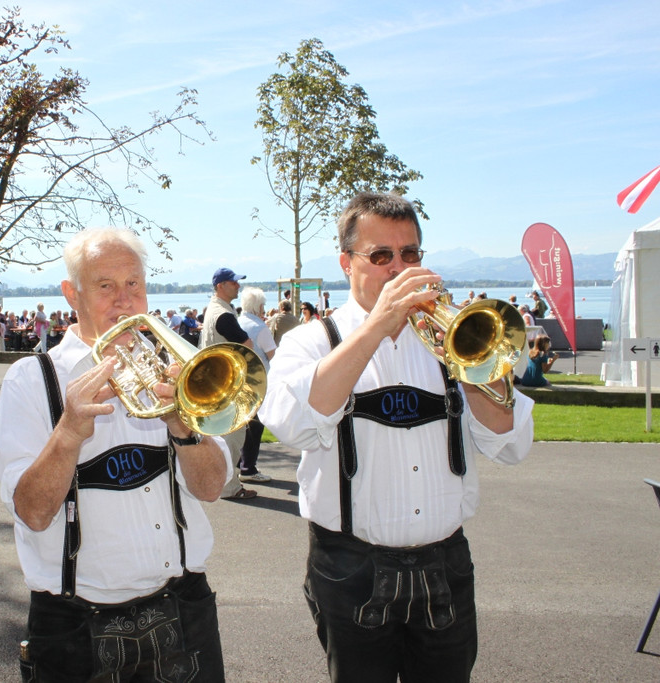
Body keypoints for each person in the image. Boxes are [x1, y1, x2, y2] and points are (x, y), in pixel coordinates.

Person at [259, 192, 534, 683]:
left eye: (409, 254)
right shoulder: (311, 340)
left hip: (445, 563)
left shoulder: (447, 338)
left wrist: (480, 366)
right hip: (350, 568)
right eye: (380, 256)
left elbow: (510, 444)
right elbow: (291, 423)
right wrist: (378, 326)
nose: (397, 267)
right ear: (347, 263)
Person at [0, 226, 230, 682]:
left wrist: (181, 424)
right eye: (105, 286)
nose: (124, 300)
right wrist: (68, 433)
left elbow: (212, 487)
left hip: (183, 608)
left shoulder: (177, 369)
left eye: (134, 284)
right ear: (72, 294)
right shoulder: (31, 379)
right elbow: (33, 513)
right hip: (74, 624)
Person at [201, 266, 258, 501]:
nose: (238, 286)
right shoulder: (222, 314)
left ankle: (225, 482)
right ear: (220, 286)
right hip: (225, 382)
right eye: (233, 283)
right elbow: (247, 345)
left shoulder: (216, 310)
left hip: (215, 381)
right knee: (233, 437)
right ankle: (229, 487)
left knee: (225, 436)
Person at [236, 287, 276, 484]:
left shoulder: (237, 323)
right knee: (255, 427)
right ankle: (248, 467)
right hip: (258, 381)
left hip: (239, 381)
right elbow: (273, 357)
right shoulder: (260, 328)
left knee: (240, 425)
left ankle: (238, 464)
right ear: (259, 306)